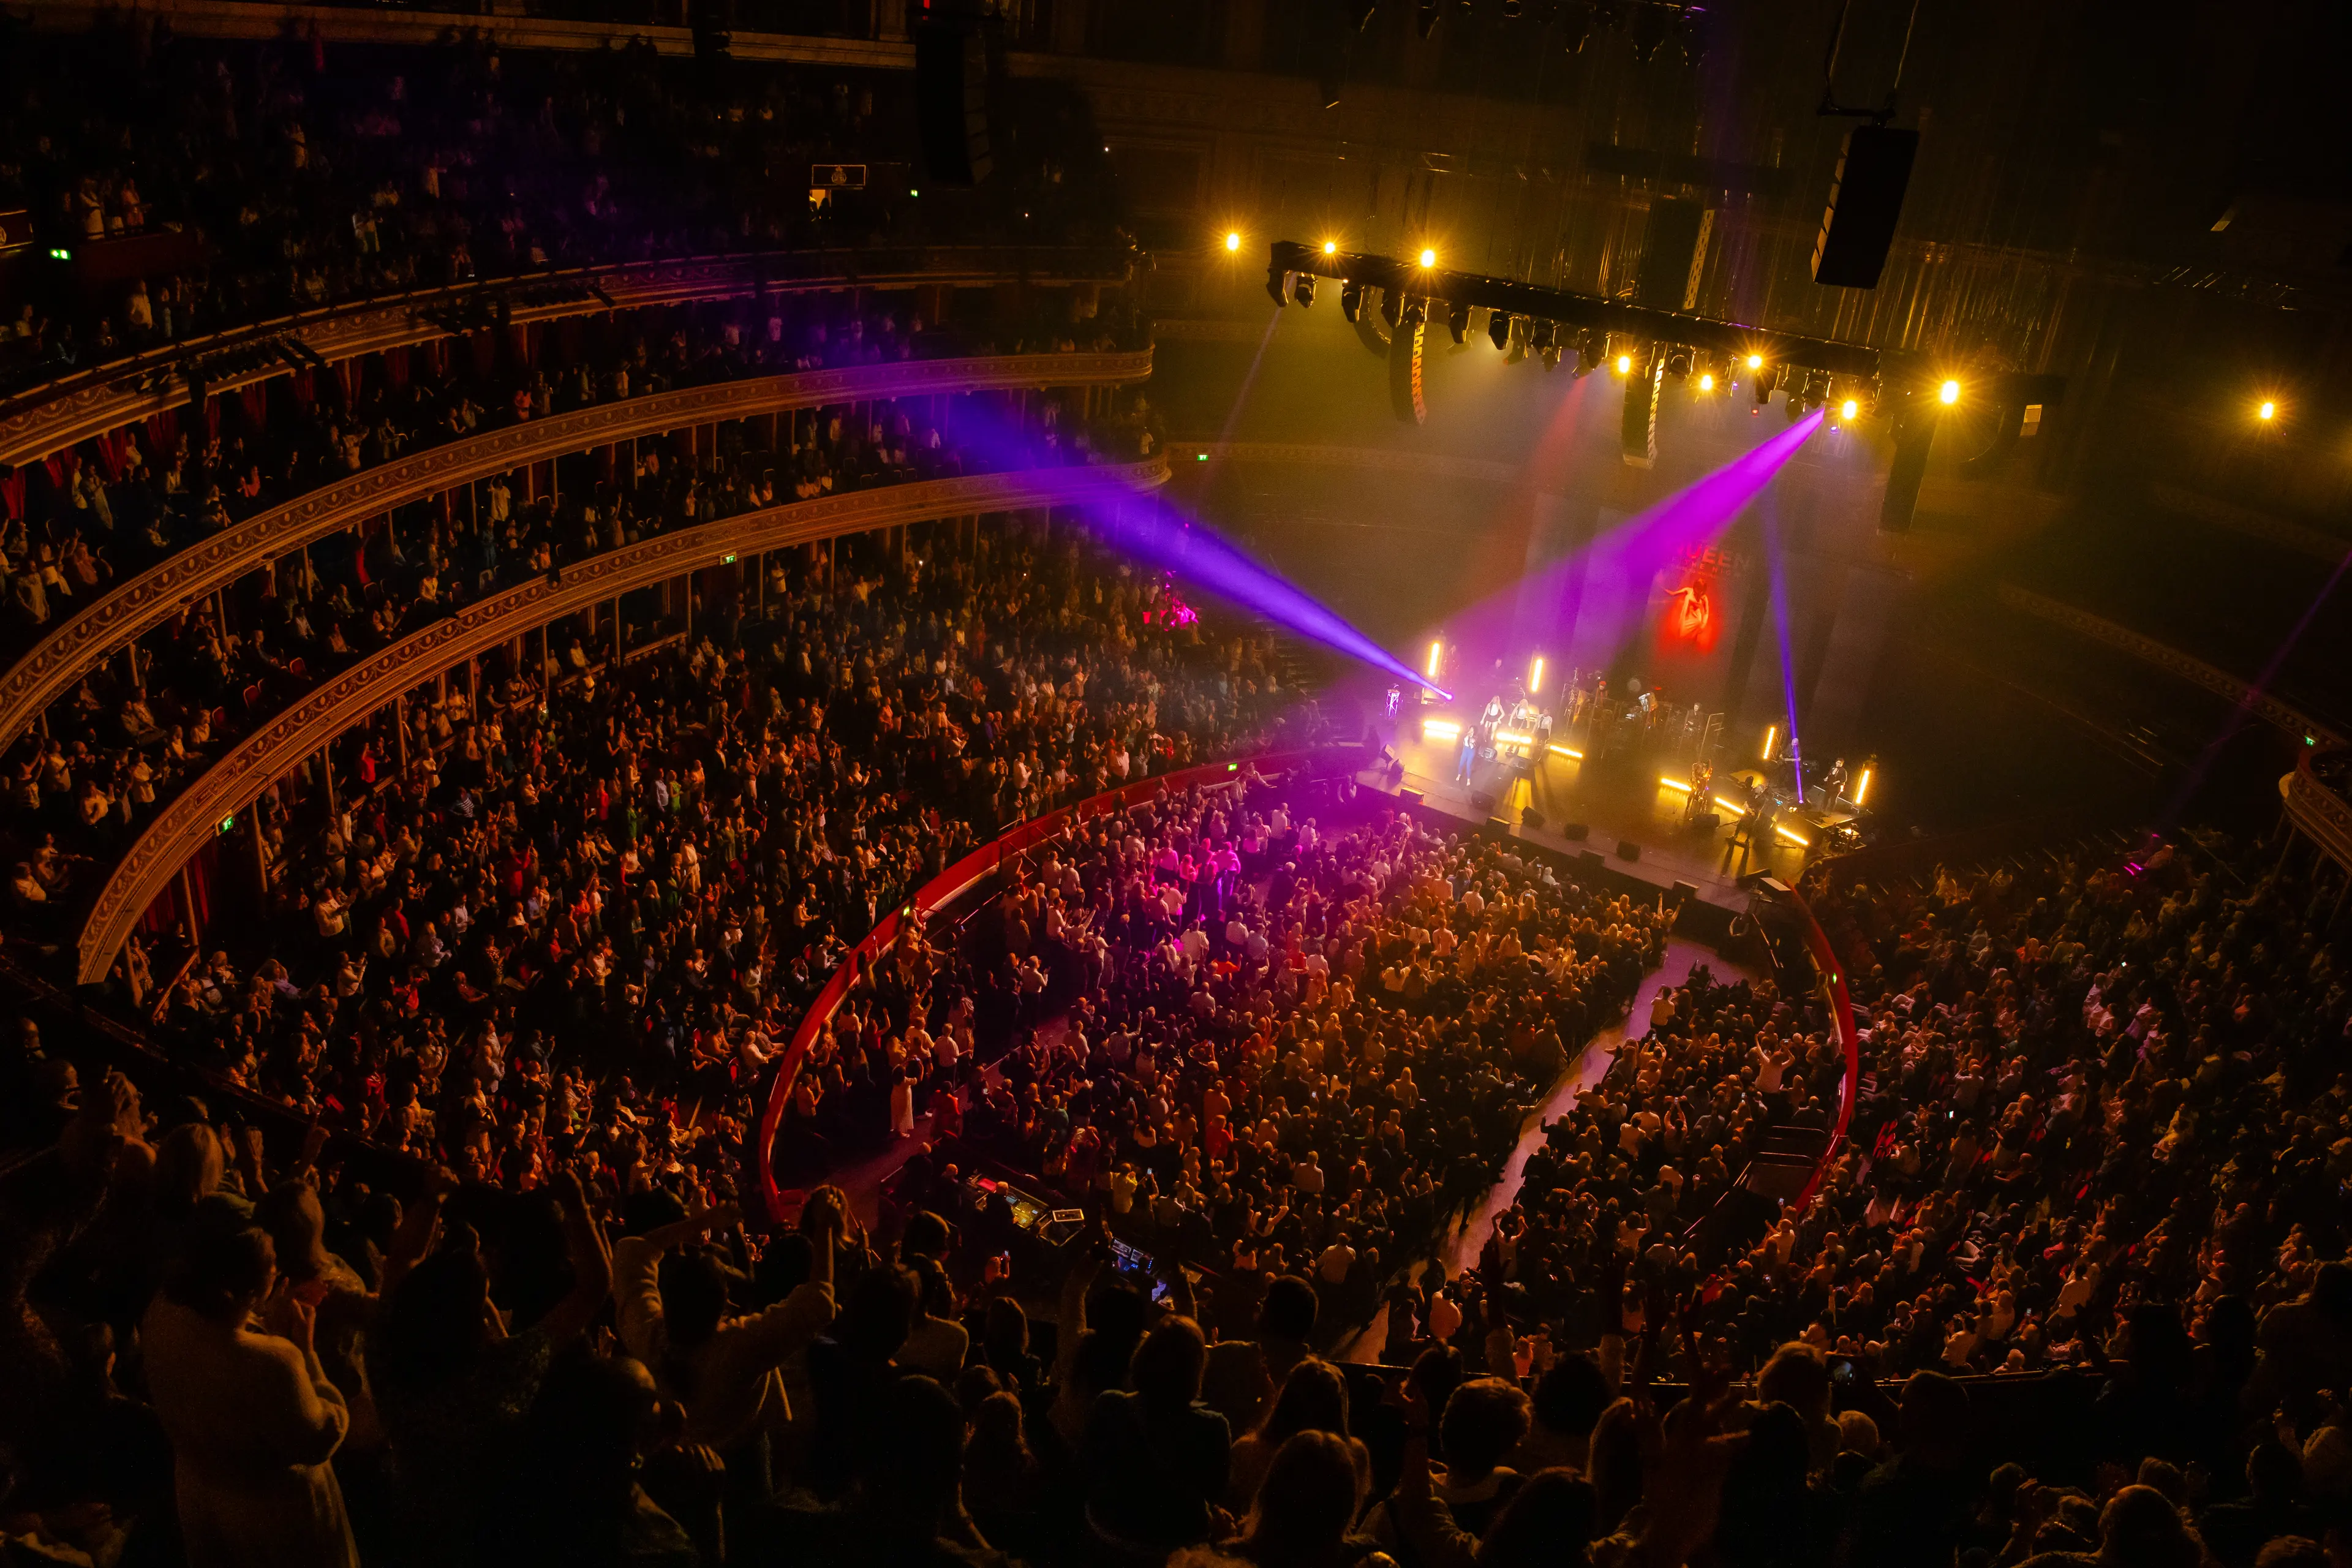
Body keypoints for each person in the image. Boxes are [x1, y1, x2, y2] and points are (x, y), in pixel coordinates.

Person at [141, 1219, 360, 1568]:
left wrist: (256, 1321)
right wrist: (305, 1351)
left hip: (201, 1493)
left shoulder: (162, 1312)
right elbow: (323, 1436)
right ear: (248, 1290)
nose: (278, 1269)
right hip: (272, 1519)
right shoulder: (271, 1362)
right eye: (271, 1264)